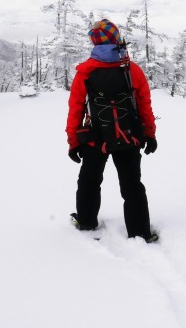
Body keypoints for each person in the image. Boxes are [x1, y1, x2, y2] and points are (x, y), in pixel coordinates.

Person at [66, 19, 159, 242]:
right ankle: (139, 233)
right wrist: (150, 134)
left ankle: (86, 221)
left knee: (89, 181)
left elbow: (76, 109)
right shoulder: (131, 70)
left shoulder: (85, 71)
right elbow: (144, 105)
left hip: (94, 138)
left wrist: (73, 141)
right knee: (132, 185)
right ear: (117, 39)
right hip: (129, 137)